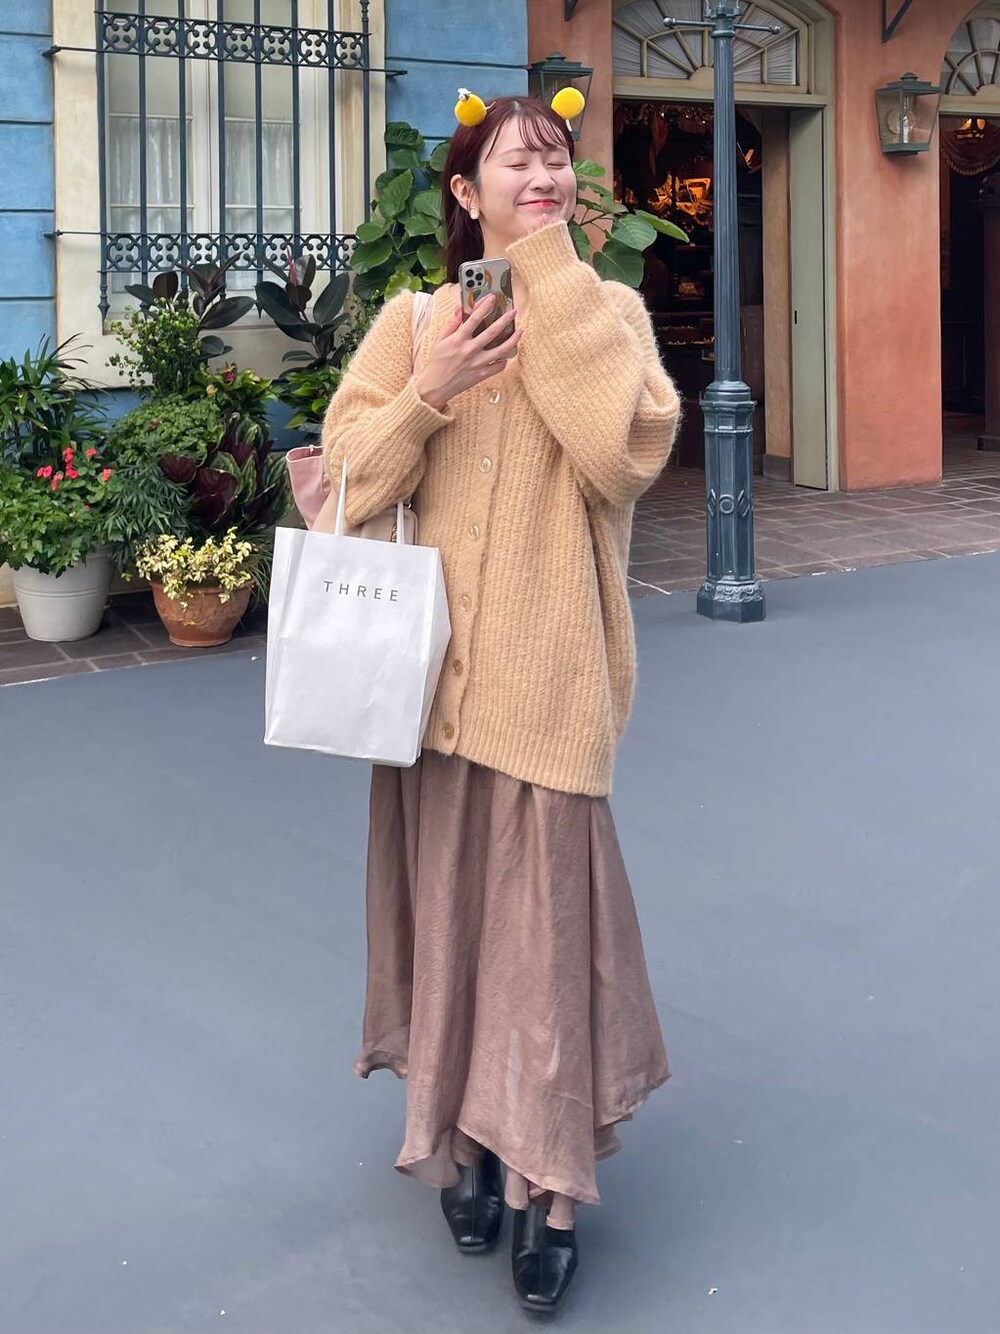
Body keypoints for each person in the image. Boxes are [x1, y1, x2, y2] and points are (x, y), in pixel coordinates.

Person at [321, 89, 681, 1316]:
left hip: (552, 687)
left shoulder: (605, 313)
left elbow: (618, 455)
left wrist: (551, 277)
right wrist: (426, 389)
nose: (542, 176)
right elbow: (343, 490)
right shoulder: (415, 319)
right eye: (514, 162)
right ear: (463, 193)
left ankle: (552, 1191)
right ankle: (466, 1143)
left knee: (545, 951)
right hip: (424, 694)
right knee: (455, 935)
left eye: (557, 159)